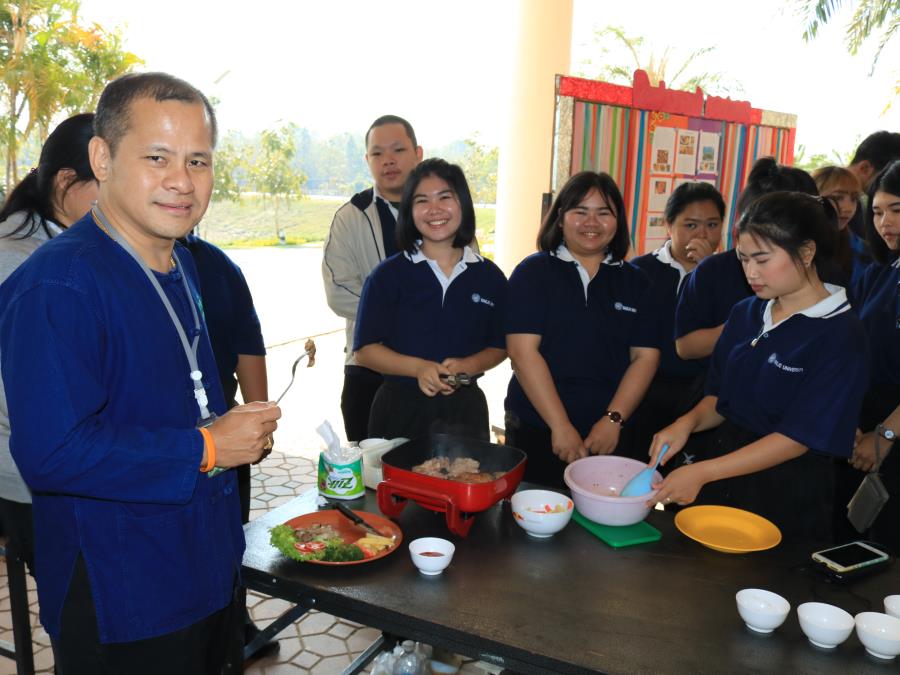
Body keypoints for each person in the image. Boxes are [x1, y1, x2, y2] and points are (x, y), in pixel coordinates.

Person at [0, 72, 281, 675]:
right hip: (126, 587)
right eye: (157, 157)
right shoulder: (60, 284)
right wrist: (208, 446)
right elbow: (51, 452)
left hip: (203, 564)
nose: (182, 180)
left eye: (198, 160)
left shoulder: (180, 264)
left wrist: (229, 429)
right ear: (102, 159)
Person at [648, 192, 869, 542]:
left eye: (762, 260)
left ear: (806, 253)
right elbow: (719, 398)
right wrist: (686, 423)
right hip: (721, 471)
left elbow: (798, 438)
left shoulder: (840, 333)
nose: (751, 272)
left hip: (784, 490)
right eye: (744, 259)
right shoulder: (746, 313)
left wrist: (704, 472)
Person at [504, 171, 660, 488]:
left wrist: (613, 419)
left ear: (618, 221)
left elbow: (645, 357)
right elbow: (522, 352)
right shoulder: (533, 273)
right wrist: (560, 426)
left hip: (611, 431)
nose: (592, 222)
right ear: (561, 218)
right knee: (535, 509)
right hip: (538, 426)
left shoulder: (637, 282)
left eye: (603, 213)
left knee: (606, 511)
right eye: (580, 211)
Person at [0, 113, 97, 574]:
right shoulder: (17, 259)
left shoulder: (70, 243)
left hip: (79, 465)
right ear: (65, 180)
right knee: (82, 601)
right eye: (107, 184)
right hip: (38, 474)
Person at [354, 158, 506, 440]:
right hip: (399, 410)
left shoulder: (490, 277)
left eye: (445, 197)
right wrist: (419, 369)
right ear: (409, 211)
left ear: (463, 204)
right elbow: (364, 350)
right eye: (422, 200)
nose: (434, 209)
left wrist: (469, 366)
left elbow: (500, 345)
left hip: (466, 411)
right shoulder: (387, 275)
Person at [179, 232, 276, 655]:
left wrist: (259, 417)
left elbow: (247, 343)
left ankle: (235, 622)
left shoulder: (216, 265)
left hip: (226, 427)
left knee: (229, 532)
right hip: (166, 438)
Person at [322, 115, 422, 442]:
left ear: (418, 153)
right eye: (377, 153)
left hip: (433, 367)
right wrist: (408, 316)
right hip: (367, 371)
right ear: (367, 160)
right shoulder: (350, 217)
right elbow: (338, 292)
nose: (388, 160)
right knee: (369, 467)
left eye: (398, 150)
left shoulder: (442, 212)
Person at [674, 157, 818, 362]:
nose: (752, 273)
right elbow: (685, 347)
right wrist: (747, 322)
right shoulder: (712, 271)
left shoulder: (828, 284)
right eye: (746, 260)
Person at [629, 182, 724, 459]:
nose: (703, 234)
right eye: (691, 225)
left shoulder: (732, 274)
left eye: (712, 225)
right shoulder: (639, 271)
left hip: (702, 396)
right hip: (645, 390)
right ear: (669, 226)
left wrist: (708, 270)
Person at [834, 160, 900, 552]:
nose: (885, 222)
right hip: (864, 419)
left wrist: (887, 435)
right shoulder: (880, 269)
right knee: (848, 539)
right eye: (876, 212)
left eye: (897, 209)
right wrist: (850, 420)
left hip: (892, 425)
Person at [812, 165, 869, 286]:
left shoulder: (863, 252)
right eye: (837, 198)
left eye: (854, 199)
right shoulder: (791, 242)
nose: (848, 208)